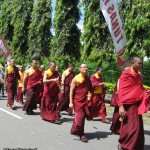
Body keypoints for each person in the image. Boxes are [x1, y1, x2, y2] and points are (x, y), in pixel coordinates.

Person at [117, 56, 150, 150]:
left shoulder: (138, 75)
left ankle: (129, 145)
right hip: (127, 104)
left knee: (135, 127)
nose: (141, 65)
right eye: (139, 63)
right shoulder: (126, 74)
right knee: (134, 127)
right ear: (133, 63)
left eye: (141, 63)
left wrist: (146, 91)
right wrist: (121, 106)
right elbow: (121, 90)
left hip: (136, 104)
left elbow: (139, 88)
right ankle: (127, 146)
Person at [69, 64, 92, 142]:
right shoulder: (76, 78)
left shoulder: (88, 79)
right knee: (80, 117)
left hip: (85, 101)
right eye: (84, 67)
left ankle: (79, 133)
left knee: (81, 118)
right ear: (79, 69)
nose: (85, 68)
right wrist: (70, 102)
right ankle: (80, 133)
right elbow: (71, 91)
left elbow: (90, 90)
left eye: (86, 67)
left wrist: (89, 95)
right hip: (77, 101)